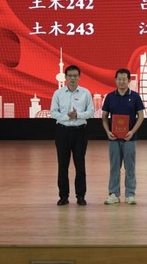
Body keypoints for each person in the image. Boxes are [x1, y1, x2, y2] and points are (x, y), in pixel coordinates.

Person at [50, 64, 95, 206]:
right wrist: (67, 117)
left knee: (80, 165)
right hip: (62, 132)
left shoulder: (85, 93)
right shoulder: (58, 93)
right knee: (62, 165)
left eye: (75, 76)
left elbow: (91, 112)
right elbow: (53, 112)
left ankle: (80, 196)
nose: (72, 78)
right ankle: (63, 196)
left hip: (80, 132)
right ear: (65, 77)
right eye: (70, 76)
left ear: (79, 77)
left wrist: (77, 115)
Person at [101, 68, 145, 205]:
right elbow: (104, 117)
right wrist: (107, 131)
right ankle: (113, 194)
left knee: (130, 167)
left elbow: (141, 116)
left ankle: (130, 194)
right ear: (115, 80)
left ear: (129, 80)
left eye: (124, 79)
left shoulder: (135, 96)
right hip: (113, 138)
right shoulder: (110, 97)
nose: (121, 82)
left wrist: (132, 131)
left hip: (129, 138)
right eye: (119, 79)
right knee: (114, 167)